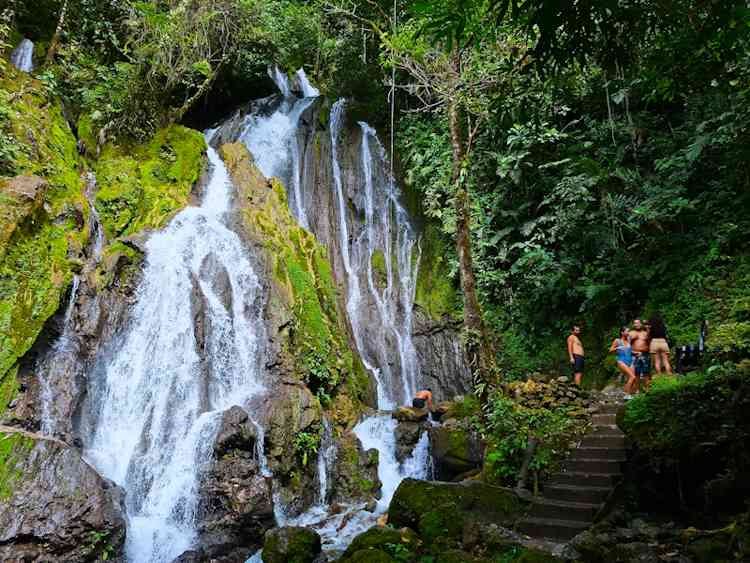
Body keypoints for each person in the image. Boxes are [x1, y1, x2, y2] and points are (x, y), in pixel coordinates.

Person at [609, 327, 636, 398]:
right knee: (632, 377)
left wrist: (636, 353)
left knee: (632, 379)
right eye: (627, 331)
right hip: (621, 361)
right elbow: (610, 350)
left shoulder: (629, 341)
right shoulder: (617, 341)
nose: (628, 333)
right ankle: (626, 395)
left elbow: (629, 351)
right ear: (622, 332)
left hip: (630, 360)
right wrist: (617, 348)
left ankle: (629, 394)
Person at [629, 319, 651, 391]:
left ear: (641, 324)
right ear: (633, 325)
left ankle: (647, 390)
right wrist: (632, 352)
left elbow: (650, 341)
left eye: (638, 323)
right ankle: (637, 390)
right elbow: (626, 344)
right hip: (635, 355)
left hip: (645, 354)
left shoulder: (645, 333)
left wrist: (648, 330)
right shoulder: (631, 333)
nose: (637, 324)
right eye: (635, 323)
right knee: (636, 373)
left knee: (646, 373)